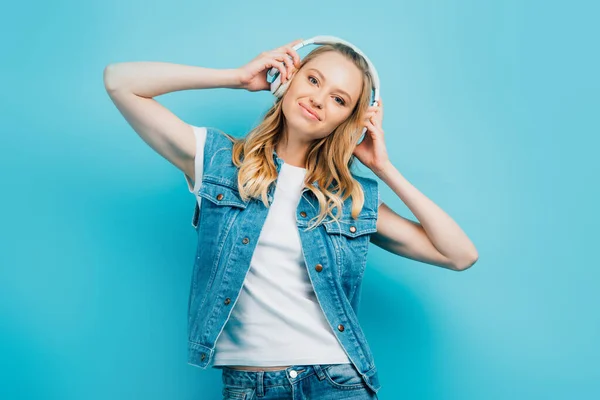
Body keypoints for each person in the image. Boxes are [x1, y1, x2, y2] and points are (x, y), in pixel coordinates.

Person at [104, 37, 479, 400]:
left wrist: (384, 168)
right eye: (314, 79)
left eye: (338, 99)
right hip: (249, 386)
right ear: (289, 77)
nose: (318, 99)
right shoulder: (220, 161)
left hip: (335, 382)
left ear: (348, 121)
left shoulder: (348, 199)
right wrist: (235, 78)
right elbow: (119, 82)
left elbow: (460, 254)